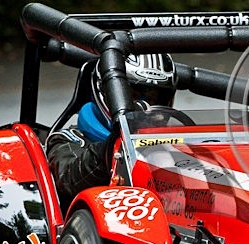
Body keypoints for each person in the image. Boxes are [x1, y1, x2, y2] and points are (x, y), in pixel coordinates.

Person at [47, 53, 177, 208]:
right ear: (107, 92)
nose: (146, 109)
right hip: (95, 226)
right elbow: (68, 179)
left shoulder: (173, 142)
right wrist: (111, 150)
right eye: (133, 97)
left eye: (154, 100)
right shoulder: (67, 140)